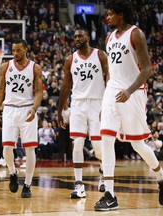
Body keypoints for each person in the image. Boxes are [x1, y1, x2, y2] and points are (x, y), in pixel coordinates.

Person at [94, 0, 163, 211]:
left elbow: (147, 71)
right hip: (112, 91)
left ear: (121, 15)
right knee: (105, 137)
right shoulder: (108, 37)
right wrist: (106, 99)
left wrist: (129, 90)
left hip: (133, 94)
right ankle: (110, 194)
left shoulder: (136, 34)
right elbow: (112, 72)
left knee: (137, 145)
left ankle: (160, 176)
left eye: (111, 14)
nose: (107, 17)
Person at [58, 28, 109, 199]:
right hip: (78, 104)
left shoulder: (100, 55)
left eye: (80, 36)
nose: (77, 39)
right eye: (75, 37)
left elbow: (109, 77)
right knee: (78, 142)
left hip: (97, 103)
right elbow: (65, 86)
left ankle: (103, 171)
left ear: (88, 37)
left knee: (98, 147)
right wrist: (60, 110)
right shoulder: (70, 59)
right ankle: (79, 184)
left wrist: (108, 103)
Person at [0, 38, 43, 198]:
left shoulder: (35, 68)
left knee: (30, 149)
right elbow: (0, 90)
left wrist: (34, 108)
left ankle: (28, 184)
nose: (15, 53)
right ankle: (13, 172)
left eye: (18, 50)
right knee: (7, 148)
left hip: (27, 109)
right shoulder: (5, 67)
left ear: (26, 50)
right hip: (9, 109)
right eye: (13, 50)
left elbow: (38, 92)